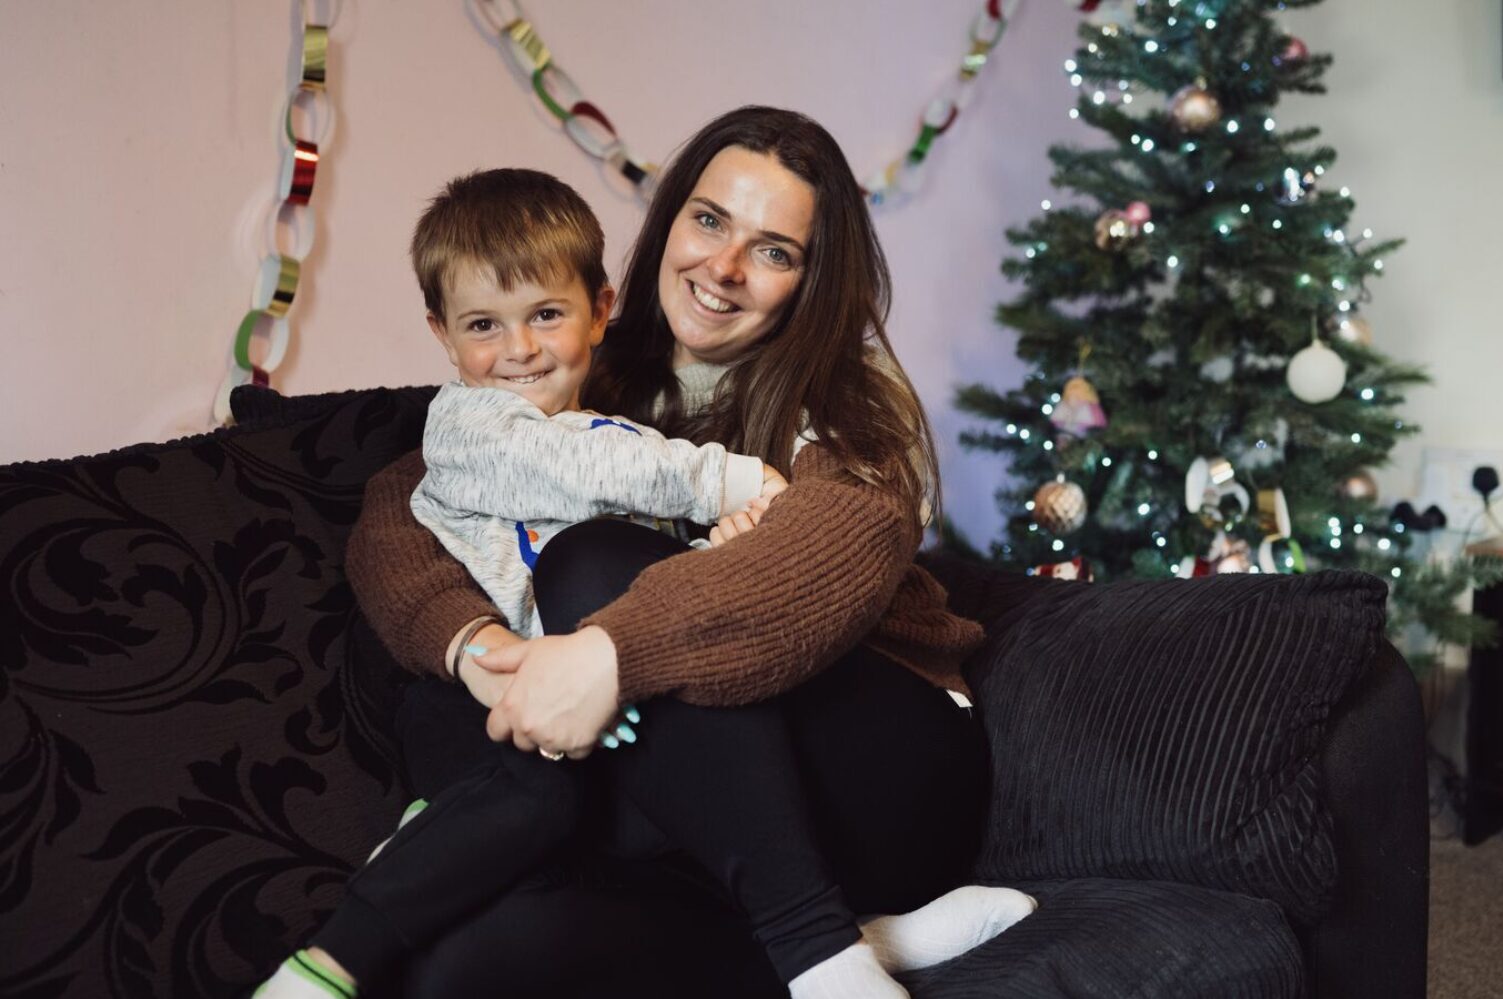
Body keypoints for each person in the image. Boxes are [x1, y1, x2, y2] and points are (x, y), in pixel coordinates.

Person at [339, 107, 1033, 998]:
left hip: (877, 771)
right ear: (668, 220)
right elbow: (406, 502)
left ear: (811, 280)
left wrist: (610, 648)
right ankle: (870, 942)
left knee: (587, 562)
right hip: (699, 813)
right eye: (708, 220)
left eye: (775, 251)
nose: (725, 268)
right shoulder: (577, 359)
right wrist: (474, 644)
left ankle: (820, 950)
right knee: (463, 964)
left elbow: (832, 552)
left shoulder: (854, 401)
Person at [257, 167, 801, 998]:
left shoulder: (619, 436)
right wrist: (726, 482)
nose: (518, 348)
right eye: (484, 324)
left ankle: (829, 931)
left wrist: (716, 545)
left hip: (575, 704)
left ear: (601, 308)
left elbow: (646, 578)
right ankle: (328, 962)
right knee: (541, 796)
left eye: (546, 314)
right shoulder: (473, 425)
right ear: (442, 333)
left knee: (660, 808)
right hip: (470, 700)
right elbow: (568, 468)